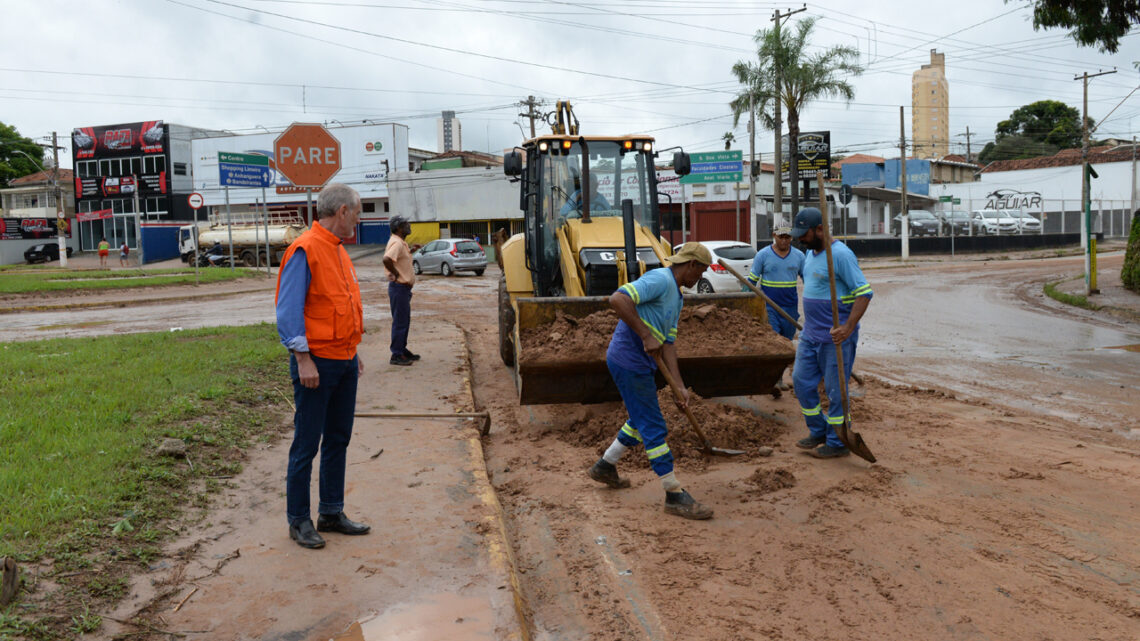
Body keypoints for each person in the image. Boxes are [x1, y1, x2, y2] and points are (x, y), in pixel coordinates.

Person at [587, 242, 716, 520]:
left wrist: (679, 386)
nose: (701, 277)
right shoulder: (660, 279)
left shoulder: (678, 298)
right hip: (627, 361)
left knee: (640, 417)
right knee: (653, 425)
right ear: (691, 265)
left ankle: (605, 465)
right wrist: (645, 335)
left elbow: (668, 343)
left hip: (642, 364)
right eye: (701, 271)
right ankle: (673, 493)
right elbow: (618, 299)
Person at [275, 183, 370, 549]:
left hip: (344, 360)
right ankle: (298, 520)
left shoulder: (339, 252)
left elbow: (339, 305)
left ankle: (331, 511)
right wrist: (303, 359)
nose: (359, 220)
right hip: (316, 365)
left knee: (338, 439)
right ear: (342, 212)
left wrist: (353, 350)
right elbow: (288, 311)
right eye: (358, 213)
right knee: (307, 443)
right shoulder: (305, 249)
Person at [788, 207, 873, 459]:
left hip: (835, 339)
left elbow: (864, 293)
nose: (800, 239)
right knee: (801, 382)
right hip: (810, 336)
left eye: (805, 234)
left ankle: (837, 443)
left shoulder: (841, 255)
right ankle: (819, 430)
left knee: (836, 393)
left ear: (820, 230)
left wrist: (847, 327)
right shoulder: (811, 255)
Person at [746, 225, 805, 391]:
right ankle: (772, 380)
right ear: (774, 236)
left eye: (787, 237)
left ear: (791, 237)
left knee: (786, 343)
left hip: (790, 307)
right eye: (781, 237)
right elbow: (752, 280)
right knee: (774, 342)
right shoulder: (763, 255)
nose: (784, 241)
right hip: (770, 305)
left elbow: (808, 278)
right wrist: (745, 298)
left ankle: (778, 377)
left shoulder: (799, 256)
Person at [383, 215, 418, 366]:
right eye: (406, 224)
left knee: (404, 320)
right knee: (400, 321)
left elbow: (398, 259)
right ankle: (396, 354)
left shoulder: (399, 242)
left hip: (402, 289)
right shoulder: (397, 243)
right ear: (398, 228)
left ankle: (401, 350)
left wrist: (411, 250)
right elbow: (386, 259)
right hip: (399, 288)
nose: (409, 226)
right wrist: (396, 274)